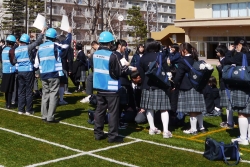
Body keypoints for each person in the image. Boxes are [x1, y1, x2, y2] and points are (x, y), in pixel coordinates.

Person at [34, 27, 72, 123]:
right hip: (54, 74)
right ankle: (50, 117)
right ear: (54, 37)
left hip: (43, 75)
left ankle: (44, 115)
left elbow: (36, 64)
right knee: (53, 95)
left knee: (45, 95)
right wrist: (69, 33)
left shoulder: (40, 48)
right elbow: (66, 44)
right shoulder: (55, 46)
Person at [93, 31, 124, 143]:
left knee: (100, 111)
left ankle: (98, 133)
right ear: (110, 43)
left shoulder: (95, 54)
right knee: (113, 112)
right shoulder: (113, 55)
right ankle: (113, 136)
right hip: (111, 87)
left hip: (99, 86)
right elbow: (119, 72)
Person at [139, 38, 172, 138]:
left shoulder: (143, 58)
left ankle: (152, 128)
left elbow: (141, 74)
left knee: (149, 108)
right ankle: (166, 131)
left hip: (147, 85)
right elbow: (167, 71)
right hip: (160, 85)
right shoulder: (161, 56)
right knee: (164, 109)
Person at [173, 42, 206, 135]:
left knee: (192, 109)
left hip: (188, 86)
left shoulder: (183, 61)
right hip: (197, 85)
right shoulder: (195, 59)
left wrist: (174, 81)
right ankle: (201, 127)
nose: (179, 52)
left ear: (184, 51)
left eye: (180, 50)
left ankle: (193, 129)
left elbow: (179, 76)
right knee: (198, 108)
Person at [224, 38, 250, 145]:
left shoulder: (240, 55)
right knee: (248, 113)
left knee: (242, 113)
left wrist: (230, 51)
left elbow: (226, 61)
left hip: (242, 86)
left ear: (238, 45)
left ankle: (243, 138)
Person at [15, 30, 45, 115]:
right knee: (28, 91)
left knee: (21, 91)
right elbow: (37, 42)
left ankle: (20, 109)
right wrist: (42, 33)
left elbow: (14, 61)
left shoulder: (16, 49)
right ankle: (29, 110)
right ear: (27, 41)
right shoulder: (28, 47)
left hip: (20, 72)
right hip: (28, 71)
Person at [113, 39, 137, 128]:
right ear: (119, 45)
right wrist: (131, 70)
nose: (125, 48)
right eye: (124, 46)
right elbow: (123, 69)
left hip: (121, 81)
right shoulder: (117, 55)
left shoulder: (118, 55)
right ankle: (118, 123)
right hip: (121, 81)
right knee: (121, 103)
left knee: (121, 103)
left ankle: (118, 122)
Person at [215, 44, 234, 128]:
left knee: (228, 104)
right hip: (223, 84)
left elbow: (225, 73)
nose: (216, 53)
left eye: (217, 51)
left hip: (226, 85)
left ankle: (230, 122)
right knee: (227, 104)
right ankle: (229, 121)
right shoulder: (221, 59)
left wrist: (219, 67)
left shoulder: (226, 60)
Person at [56, 34, 74, 105]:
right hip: (62, 66)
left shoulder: (54, 46)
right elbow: (69, 59)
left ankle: (55, 99)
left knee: (55, 84)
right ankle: (61, 99)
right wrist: (70, 69)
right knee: (62, 83)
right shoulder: (65, 48)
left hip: (54, 67)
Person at [0, 35, 16, 109]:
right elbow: (13, 61)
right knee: (10, 89)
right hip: (10, 71)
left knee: (6, 89)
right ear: (12, 43)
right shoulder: (11, 50)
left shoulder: (4, 49)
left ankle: (7, 103)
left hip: (5, 70)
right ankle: (9, 104)